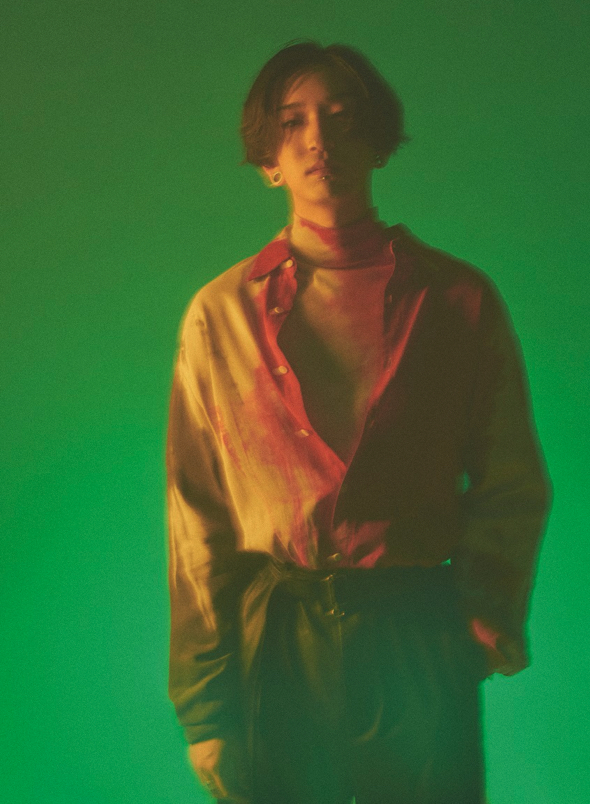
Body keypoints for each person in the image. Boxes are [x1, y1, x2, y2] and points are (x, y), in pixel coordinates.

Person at [166, 41, 551, 804]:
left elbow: (510, 477)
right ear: (269, 160)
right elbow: (197, 519)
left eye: (341, 118)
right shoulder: (222, 315)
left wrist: (482, 613)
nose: (319, 140)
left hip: (416, 633)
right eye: (293, 123)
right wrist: (207, 707)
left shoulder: (456, 300)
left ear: (376, 141)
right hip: (275, 643)